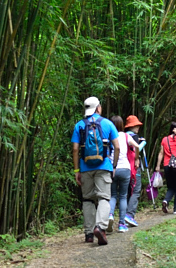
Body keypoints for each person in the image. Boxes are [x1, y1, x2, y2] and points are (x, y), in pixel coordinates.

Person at [71, 97, 120, 245]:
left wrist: (76, 170)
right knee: (104, 198)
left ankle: (89, 233)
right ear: (98, 108)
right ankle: (100, 227)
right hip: (104, 166)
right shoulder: (107, 123)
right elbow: (117, 147)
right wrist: (114, 165)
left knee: (88, 199)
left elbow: (74, 149)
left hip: (85, 168)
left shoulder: (79, 125)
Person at [107, 115, 140, 233]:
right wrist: (136, 158)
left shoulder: (109, 135)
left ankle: (110, 215)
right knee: (123, 196)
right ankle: (121, 224)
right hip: (125, 168)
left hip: (112, 169)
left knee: (113, 195)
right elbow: (136, 146)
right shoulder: (126, 136)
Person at [124, 115, 145, 227]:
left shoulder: (123, 136)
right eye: (136, 125)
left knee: (127, 192)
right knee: (136, 191)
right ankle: (130, 214)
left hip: (124, 167)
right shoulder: (134, 136)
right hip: (134, 167)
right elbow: (137, 149)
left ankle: (123, 217)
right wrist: (143, 143)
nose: (137, 127)